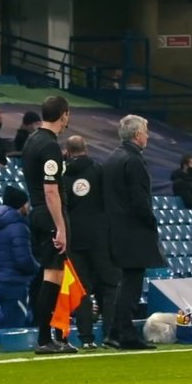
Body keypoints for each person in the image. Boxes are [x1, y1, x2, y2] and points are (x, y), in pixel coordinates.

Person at [103, 114, 165, 350]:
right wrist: (150, 221)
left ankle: (115, 332)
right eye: (146, 132)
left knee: (127, 282)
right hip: (133, 231)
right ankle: (125, 334)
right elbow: (140, 200)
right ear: (138, 135)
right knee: (132, 284)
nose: (147, 136)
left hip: (116, 229)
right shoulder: (134, 160)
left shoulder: (112, 159)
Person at [21, 95, 76, 354]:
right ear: (64, 115)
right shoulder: (50, 146)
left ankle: (51, 336)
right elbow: (51, 191)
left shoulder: (32, 140)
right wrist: (61, 228)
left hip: (37, 212)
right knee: (53, 275)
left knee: (49, 274)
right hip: (49, 212)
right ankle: (45, 338)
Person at [62, 135, 120, 349]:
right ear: (85, 149)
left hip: (75, 238)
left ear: (67, 151)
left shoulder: (63, 175)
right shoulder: (98, 170)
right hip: (100, 237)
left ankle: (86, 338)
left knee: (82, 288)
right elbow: (109, 200)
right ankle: (109, 334)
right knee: (109, 285)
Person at [0, 185, 39, 329]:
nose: (28, 207)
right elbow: (23, 260)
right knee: (16, 328)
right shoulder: (18, 227)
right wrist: (39, 270)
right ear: (21, 205)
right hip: (14, 283)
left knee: (7, 322)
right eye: (26, 203)